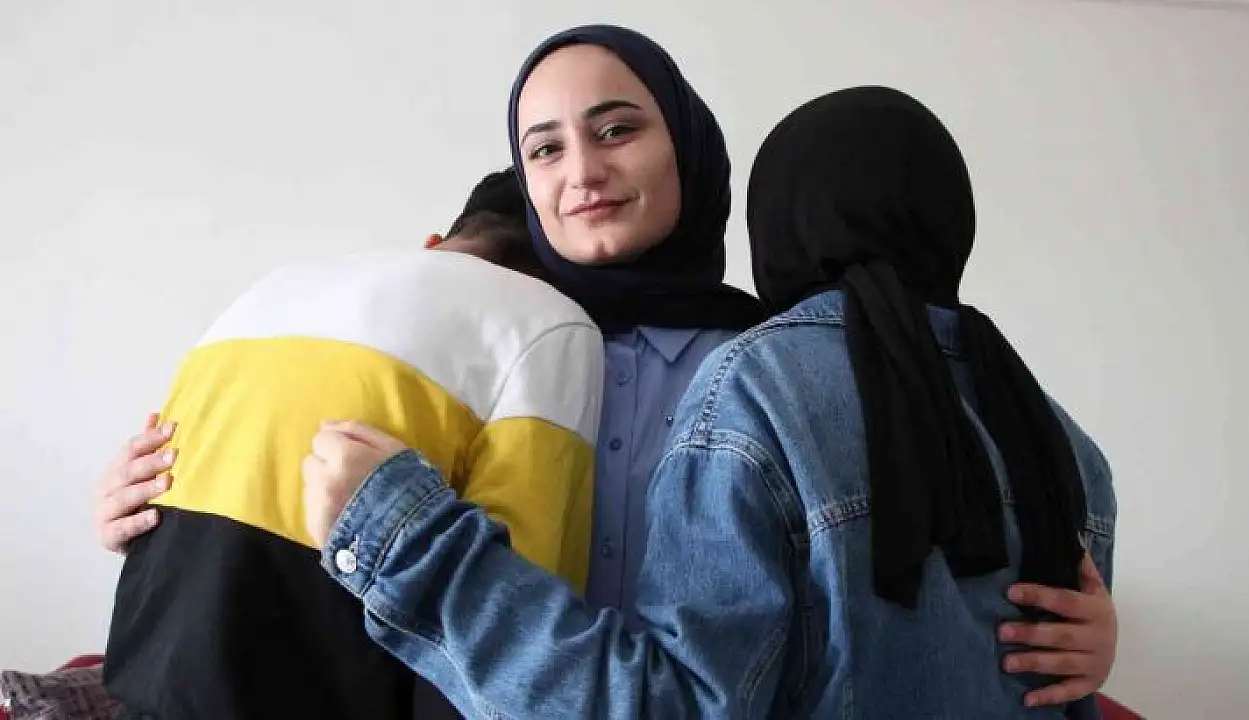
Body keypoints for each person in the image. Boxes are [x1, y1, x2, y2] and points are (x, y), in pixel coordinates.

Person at [97, 24, 1117, 713]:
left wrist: (1084, 637)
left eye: (618, 129)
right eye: (543, 149)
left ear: (689, 151)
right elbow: (291, 521)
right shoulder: (458, 342)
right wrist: (141, 502)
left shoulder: (768, 374)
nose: (581, 172)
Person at [100, 167, 604, 719]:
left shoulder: (275, 287)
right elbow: (513, 617)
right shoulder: (555, 322)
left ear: (434, 244)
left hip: (144, 679)